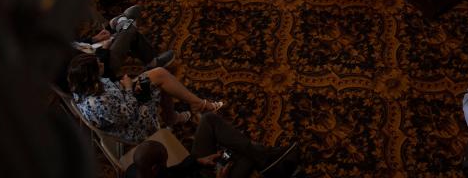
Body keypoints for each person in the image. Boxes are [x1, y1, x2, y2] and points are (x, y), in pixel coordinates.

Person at [68, 53, 222, 145]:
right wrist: (129, 88)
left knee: (159, 74)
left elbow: (116, 103)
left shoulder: (83, 86)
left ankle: (191, 107)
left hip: (123, 103)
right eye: (98, 64)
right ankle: (184, 112)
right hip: (134, 127)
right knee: (161, 84)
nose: (102, 63)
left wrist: (126, 88)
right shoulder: (100, 102)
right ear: (93, 75)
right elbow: (127, 115)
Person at [126, 114, 300, 178]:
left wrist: (198, 161)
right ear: (155, 167)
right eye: (165, 161)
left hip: (196, 170)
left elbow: (173, 171)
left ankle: (267, 160)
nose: (167, 163)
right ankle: (270, 162)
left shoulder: (135, 171)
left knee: (208, 120)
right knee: (244, 152)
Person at [72, 4, 174, 80]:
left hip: (94, 50)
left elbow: (75, 45)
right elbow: (89, 72)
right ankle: (119, 22)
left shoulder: (59, 44)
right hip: (103, 66)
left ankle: (118, 24)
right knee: (129, 29)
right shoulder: (58, 64)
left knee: (128, 32)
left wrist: (94, 39)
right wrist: (104, 50)